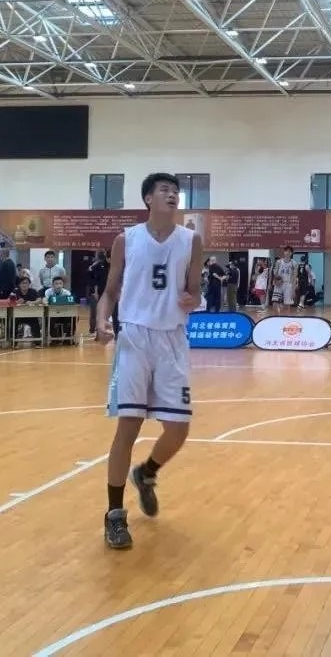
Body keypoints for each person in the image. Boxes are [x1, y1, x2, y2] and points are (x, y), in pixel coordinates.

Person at [97, 173, 203, 550]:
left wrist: (192, 299)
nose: (172, 195)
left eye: (175, 191)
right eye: (164, 190)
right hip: (135, 337)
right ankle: (114, 515)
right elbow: (110, 291)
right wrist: (101, 319)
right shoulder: (126, 239)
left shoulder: (191, 240)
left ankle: (146, 473)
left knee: (178, 429)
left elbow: (195, 290)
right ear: (148, 199)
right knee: (128, 426)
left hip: (172, 339)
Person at [272, 247, 295, 315]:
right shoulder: (279, 262)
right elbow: (275, 273)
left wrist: (293, 289)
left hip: (288, 284)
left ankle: (285, 318)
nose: (287, 253)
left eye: (289, 251)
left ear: (291, 253)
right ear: (284, 252)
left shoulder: (294, 263)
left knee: (287, 305)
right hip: (279, 284)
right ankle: (277, 317)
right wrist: (277, 279)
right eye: (286, 251)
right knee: (275, 303)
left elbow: (294, 276)